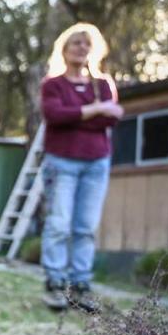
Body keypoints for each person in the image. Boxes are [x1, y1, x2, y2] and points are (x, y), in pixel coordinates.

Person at [39, 23, 122, 313]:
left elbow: (110, 120)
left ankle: (80, 285)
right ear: (64, 48)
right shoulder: (53, 84)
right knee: (59, 224)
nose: (81, 48)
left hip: (96, 163)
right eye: (76, 43)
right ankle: (55, 283)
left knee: (85, 228)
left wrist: (82, 115)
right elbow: (55, 115)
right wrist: (97, 109)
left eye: (87, 43)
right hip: (61, 162)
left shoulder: (104, 84)